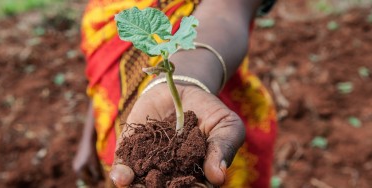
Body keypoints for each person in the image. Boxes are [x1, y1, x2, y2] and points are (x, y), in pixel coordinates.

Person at [73, 0, 277, 187]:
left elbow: (225, 12)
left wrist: (185, 79)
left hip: (207, 106)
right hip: (122, 141)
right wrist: (88, 136)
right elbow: (105, 66)